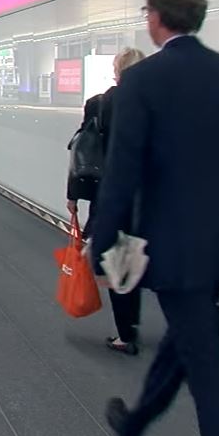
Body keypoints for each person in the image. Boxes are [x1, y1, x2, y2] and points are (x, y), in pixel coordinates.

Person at [91, 0, 219, 436]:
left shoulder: (143, 82)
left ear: (155, 18)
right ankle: (130, 426)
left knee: (207, 376)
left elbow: (120, 176)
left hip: (176, 253)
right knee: (185, 342)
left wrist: (104, 249)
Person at [66, 48, 146, 355]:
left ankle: (127, 333)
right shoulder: (156, 106)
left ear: (117, 71)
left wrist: (73, 195)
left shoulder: (99, 104)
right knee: (142, 256)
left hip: (111, 194)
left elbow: (82, 150)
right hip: (149, 197)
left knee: (119, 259)